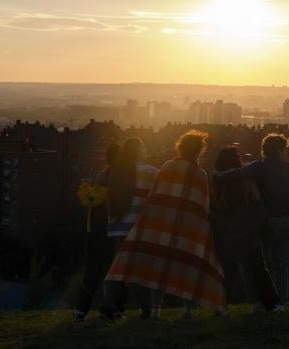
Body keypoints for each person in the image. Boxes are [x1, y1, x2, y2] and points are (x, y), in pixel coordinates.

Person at [106, 130, 226, 318]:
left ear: (180, 147)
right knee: (188, 267)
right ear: (199, 151)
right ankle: (188, 310)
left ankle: (155, 310)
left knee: (157, 266)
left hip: (162, 223)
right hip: (189, 228)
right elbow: (202, 204)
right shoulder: (200, 173)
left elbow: (155, 195)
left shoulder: (167, 166)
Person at [216, 133, 289, 312]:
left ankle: (262, 303)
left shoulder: (259, 167)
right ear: (281, 150)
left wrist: (218, 177)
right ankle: (281, 303)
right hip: (287, 219)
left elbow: (236, 174)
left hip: (267, 221)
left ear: (265, 149)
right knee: (282, 263)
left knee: (260, 264)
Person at [210, 146, 280, 311]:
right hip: (248, 233)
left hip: (226, 235)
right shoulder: (245, 181)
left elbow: (214, 209)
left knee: (227, 272)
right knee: (258, 270)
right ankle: (269, 304)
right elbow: (256, 205)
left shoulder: (216, 183)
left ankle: (220, 306)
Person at [100, 137, 159, 320]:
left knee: (118, 270)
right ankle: (147, 311)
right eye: (144, 148)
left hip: (118, 229)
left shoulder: (116, 172)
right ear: (139, 150)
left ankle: (108, 307)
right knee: (141, 272)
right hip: (139, 229)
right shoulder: (150, 172)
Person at [73, 142, 120, 322]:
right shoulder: (115, 176)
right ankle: (111, 309)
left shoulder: (101, 175)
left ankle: (81, 310)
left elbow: (91, 200)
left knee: (92, 273)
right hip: (110, 232)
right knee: (113, 273)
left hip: (95, 232)